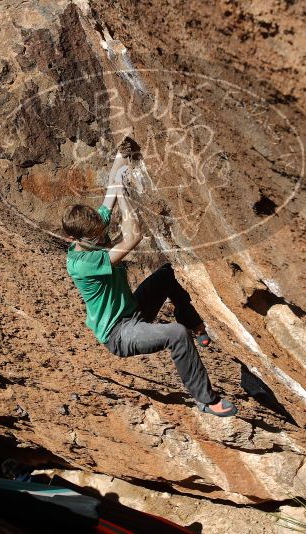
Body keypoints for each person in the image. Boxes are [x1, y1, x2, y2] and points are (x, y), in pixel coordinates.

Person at [63, 145, 237, 416]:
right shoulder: (82, 265)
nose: (102, 239)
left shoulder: (92, 230)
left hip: (133, 309)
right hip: (119, 333)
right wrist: (122, 195)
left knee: (167, 274)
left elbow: (111, 183)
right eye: (96, 239)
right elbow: (133, 236)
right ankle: (206, 400)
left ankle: (196, 325)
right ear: (75, 240)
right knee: (175, 335)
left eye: (101, 232)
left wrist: (122, 151)